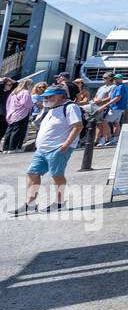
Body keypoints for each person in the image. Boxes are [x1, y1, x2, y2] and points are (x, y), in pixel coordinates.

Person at [13, 86, 83, 215]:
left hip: (57, 148)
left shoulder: (70, 107)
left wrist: (66, 145)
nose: (46, 98)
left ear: (61, 96)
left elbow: (77, 126)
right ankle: (31, 204)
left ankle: (60, 202)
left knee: (57, 176)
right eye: (45, 96)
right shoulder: (50, 109)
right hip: (42, 149)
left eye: (50, 96)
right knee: (32, 173)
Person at [3, 79, 33, 153]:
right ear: (27, 85)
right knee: (18, 131)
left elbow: (8, 103)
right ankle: (14, 148)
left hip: (12, 113)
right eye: (31, 84)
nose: (32, 86)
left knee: (10, 131)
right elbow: (27, 103)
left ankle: (6, 148)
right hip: (22, 114)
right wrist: (31, 106)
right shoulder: (25, 92)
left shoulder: (14, 92)